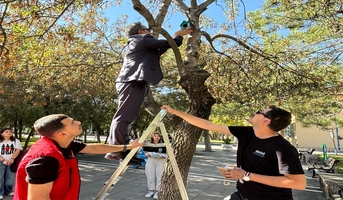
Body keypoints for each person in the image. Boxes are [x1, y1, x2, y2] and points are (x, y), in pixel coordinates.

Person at [161, 105, 307, 200]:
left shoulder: (282, 147)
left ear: (266, 121)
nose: (255, 112)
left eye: (259, 112)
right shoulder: (247, 133)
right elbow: (208, 124)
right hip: (242, 195)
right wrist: (175, 112)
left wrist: (246, 175)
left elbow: (299, 183)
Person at [106, 22, 193, 161]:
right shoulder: (141, 39)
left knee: (128, 117)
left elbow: (161, 48)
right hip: (132, 81)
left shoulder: (139, 43)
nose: (151, 33)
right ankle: (117, 150)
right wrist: (178, 35)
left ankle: (123, 150)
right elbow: (169, 44)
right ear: (141, 31)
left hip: (133, 81)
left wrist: (177, 36)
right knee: (124, 117)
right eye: (148, 30)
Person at [13, 114, 144, 200]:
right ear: (62, 134)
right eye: (72, 123)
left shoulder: (64, 144)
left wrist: (127, 147)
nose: (78, 122)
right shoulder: (46, 159)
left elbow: (93, 148)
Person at [0, 128, 22, 200]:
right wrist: (3, 160)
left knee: (11, 178)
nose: (9, 133)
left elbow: (17, 150)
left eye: (10, 131)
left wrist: (12, 158)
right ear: (2, 134)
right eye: (6, 132)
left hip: (11, 161)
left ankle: (8, 190)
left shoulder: (16, 141)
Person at [143, 132, 167, 199]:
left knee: (159, 175)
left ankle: (157, 191)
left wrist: (163, 156)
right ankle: (151, 191)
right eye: (155, 136)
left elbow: (165, 153)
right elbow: (146, 152)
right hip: (151, 160)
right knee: (150, 175)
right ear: (152, 137)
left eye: (158, 136)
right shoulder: (148, 144)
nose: (156, 137)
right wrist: (148, 154)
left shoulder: (163, 145)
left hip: (160, 161)